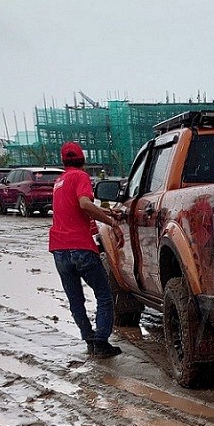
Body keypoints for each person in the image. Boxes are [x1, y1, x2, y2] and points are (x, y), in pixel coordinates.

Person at [49, 141, 125, 358]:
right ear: (83, 160)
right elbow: (84, 203)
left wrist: (108, 214)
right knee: (103, 295)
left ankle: (89, 340)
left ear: (63, 162)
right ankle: (101, 342)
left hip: (59, 250)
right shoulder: (80, 177)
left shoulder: (59, 181)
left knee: (75, 299)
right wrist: (113, 224)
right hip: (80, 247)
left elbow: (76, 209)